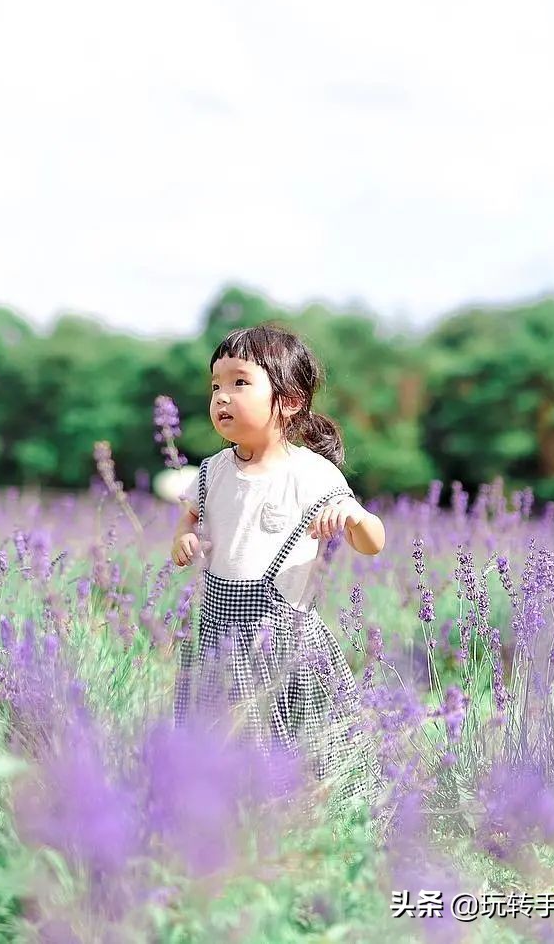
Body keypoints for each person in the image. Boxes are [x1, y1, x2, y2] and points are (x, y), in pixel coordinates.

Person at [170, 321, 386, 819]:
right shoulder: (212, 471)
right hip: (219, 629)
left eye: (239, 383)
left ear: (287, 401)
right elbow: (191, 513)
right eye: (215, 386)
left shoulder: (310, 472)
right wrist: (184, 537)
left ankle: (305, 814)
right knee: (218, 729)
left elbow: (372, 542)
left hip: (282, 633)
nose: (222, 397)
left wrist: (354, 518)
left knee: (293, 733)